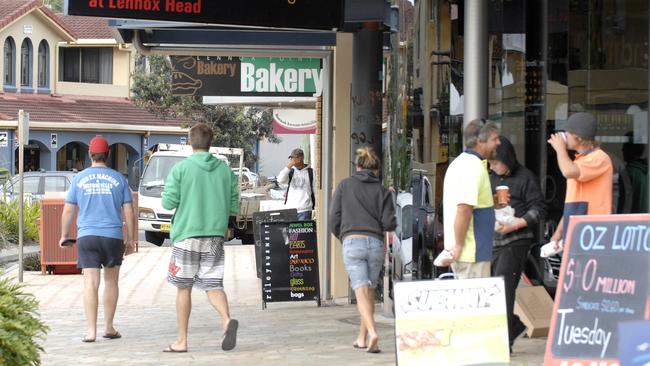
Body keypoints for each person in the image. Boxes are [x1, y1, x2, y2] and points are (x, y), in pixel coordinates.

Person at [162, 123, 239, 353]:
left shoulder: (181, 169)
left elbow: (168, 202)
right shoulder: (225, 170)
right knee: (213, 284)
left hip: (187, 235)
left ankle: (182, 341)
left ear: (189, 142)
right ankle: (226, 319)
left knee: (183, 288)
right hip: (215, 235)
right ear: (210, 142)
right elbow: (234, 202)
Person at [59, 135, 136, 343]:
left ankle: (91, 331)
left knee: (90, 283)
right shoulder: (119, 179)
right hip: (112, 236)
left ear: (89, 155)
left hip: (87, 236)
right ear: (108, 155)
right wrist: (130, 239)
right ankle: (109, 327)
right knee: (111, 282)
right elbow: (129, 210)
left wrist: (65, 235)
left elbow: (68, 210)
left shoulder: (79, 179)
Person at [330, 146, 395, 354]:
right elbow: (389, 223)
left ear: (357, 167)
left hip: (353, 242)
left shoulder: (344, 186)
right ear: (376, 170)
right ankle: (362, 338)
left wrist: (344, 235)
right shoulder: (382, 191)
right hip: (375, 244)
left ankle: (373, 333)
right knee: (368, 293)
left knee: (360, 292)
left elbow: (334, 219)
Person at [488, 136, 546, 350]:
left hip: (517, 239)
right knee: (493, 288)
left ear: (507, 158)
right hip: (495, 238)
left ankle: (504, 342)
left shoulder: (525, 178)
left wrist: (517, 224)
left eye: (496, 163)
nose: (493, 167)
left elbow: (539, 209)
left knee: (504, 286)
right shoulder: (491, 177)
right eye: (490, 164)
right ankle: (512, 327)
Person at [440, 119, 500, 278]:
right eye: (494, 139)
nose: (498, 143)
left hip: (469, 253)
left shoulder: (461, 163)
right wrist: (459, 245)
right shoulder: (472, 167)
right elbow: (464, 208)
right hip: (472, 254)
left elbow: (469, 205)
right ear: (480, 141)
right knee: (476, 302)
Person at [548, 112, 613, 243]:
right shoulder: (580, 161)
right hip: (578, 229)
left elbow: (568, 171)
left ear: (578, 138)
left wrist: (560, 149)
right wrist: (559, 232)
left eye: (567, 134)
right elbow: (573, 202)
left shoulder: (600, 158)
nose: (564, 136)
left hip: (593, 233)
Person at [278, 148, 315, 220]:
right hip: (291, 210)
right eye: (292, 158)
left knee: (303, 231)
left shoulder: (310, 172)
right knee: (290, 231)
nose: (293, 160)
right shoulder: (290, 171)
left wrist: (316, 207)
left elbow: (315, 189)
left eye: (296, 157)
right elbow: (280, 180)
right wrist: (289, 166)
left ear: (302, 157)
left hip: (305, 209)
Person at [622, 132, 648, 213]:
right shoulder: (645, 170)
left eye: (625, 146)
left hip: (632, 221)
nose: (622, 149)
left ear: (630, 149)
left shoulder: (628, 172)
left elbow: (624, 203)